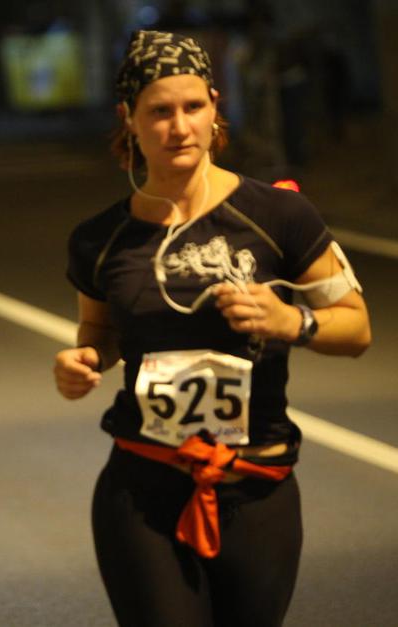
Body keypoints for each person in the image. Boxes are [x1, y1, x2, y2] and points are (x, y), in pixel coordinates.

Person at [53, 30, 370, 627]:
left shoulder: (281, 215)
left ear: (215, 106)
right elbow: (98, 332)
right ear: (129, 118)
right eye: (160, 112)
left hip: (256, 485)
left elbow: (356, 328)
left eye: (193, 107)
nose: (180, 127)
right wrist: (84, 360)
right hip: (142, 488)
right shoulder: (99, 239)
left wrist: (290, 320)